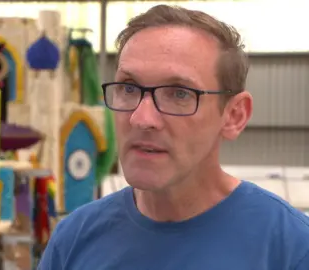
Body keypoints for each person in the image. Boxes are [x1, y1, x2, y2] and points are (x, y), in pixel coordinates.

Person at [38, 4, 309, 270]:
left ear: (234, 115)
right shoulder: (73, 240)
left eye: (180, 93)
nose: (142, 119)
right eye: (129, 88)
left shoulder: (290, 249)